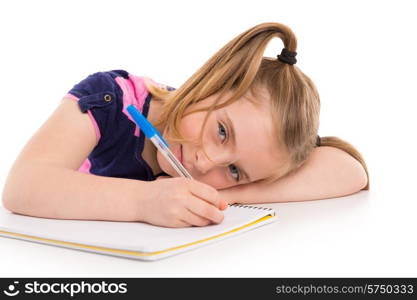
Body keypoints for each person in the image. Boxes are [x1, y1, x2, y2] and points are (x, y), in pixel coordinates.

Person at [2, 22, 369, 228]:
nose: (206, 163)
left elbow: (350, 171)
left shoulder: (250, 155)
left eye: (235, 170)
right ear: (213, 81)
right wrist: (145, 202)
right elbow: (23, 186)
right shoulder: (110, 101)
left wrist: (225, 196)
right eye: (222, 131)